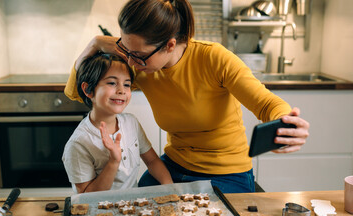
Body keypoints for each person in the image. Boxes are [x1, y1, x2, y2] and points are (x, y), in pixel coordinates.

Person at [64, 0, 309, 193]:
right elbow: (77, 92)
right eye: (126, 50)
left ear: (170, 45)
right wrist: (94, 44)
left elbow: (267, 103)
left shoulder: (214, 59)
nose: (130, 63)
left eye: (137, 55)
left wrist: (286, 123)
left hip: (227, 173)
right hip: (174, 165)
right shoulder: (142, 65)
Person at [62, 52, 173, 193]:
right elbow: (86, 196)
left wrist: (170, 186)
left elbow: (152, 161)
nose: (121, 90)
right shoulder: (79, 143)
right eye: (112, 83)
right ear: (88, 90)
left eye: (127, 84)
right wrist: (113, 161)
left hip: (132, 207)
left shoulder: (131, 123)